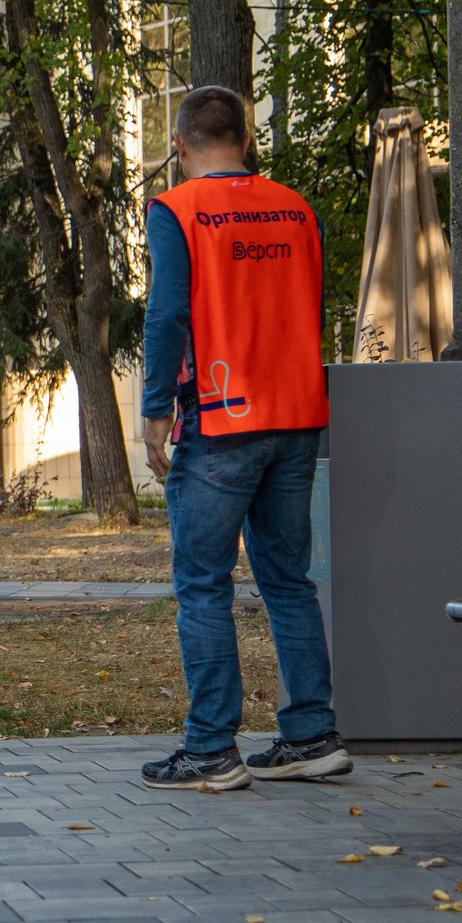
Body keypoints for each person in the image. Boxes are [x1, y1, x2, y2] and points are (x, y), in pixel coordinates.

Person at [139, 84, 343, 791]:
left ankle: (210, 748)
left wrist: (155, 405)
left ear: (180, 146)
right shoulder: (297, 208)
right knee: (288, 579)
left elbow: (166, 314)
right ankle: (312, 733)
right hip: (298, 414)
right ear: (248, 140)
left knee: (201, 582)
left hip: (224, 417)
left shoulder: (177, 210)